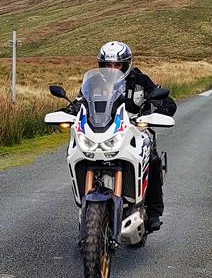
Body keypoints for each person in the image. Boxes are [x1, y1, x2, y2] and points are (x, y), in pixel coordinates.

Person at [68, 41, 176, 231]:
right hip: (103, 128)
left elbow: (166, 101)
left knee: (153, 160)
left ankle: (153, 212)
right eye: (108, 65)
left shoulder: (141, 81)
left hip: (136, 129)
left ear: (126, 64)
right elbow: (80, 102)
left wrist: (162, 110)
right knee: (79, 153)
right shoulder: (94, 82)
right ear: (101, 65)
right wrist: (68, 111)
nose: (112, 69)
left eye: (117, 65)